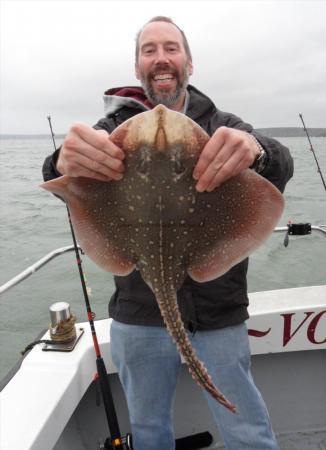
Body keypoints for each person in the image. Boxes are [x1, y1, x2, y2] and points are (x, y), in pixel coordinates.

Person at [43, 16, 293, 450]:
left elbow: (281, 163)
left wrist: (256, 151)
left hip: (218, 313)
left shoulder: (222, 125)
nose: (161, 58)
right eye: (149, 49)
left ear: (189, 64)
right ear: (139, 66)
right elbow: (60, 172)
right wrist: (63, 161)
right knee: (148, 431)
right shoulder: (112, 133)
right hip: (137, 315)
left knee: (248, 432)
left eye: (171, 48)